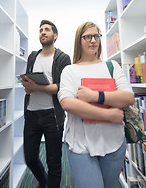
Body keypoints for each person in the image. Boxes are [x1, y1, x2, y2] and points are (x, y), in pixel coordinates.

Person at [57, 21, 134, 188]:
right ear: (79, 40)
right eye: (87, 37)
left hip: (114, 142)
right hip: (81, 145)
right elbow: (67, 103)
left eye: (96, 36)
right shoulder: (69, 70)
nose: (93, 40)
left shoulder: (111, 66)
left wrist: (94, 95)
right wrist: (108, 114)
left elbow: (128, 97)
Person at [21, 20, 71, 188]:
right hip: (32, 114)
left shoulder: (63, 58)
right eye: (41, 30)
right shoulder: (32, 56)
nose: (43, 32)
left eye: (47, 30)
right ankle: (44, 181)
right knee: (30, 158)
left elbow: (61, 86)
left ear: (54, 35)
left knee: (54, 163)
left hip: (53, 116)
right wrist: (28, 86)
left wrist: (37, 87)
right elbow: (29, 80)